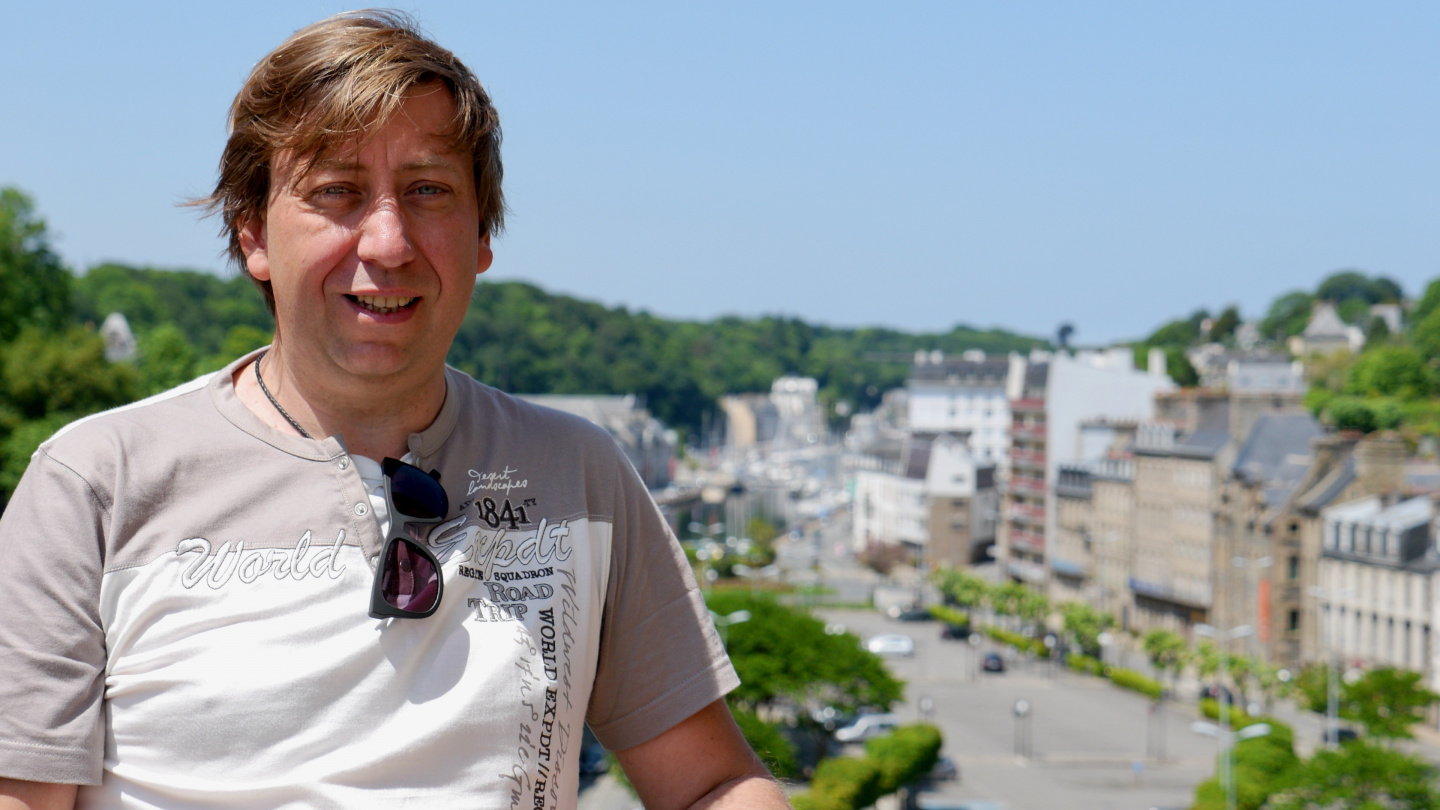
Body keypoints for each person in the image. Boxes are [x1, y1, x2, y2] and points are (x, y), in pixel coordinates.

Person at [0, 11, 787, 810]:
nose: (387, 242)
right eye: (336, 192)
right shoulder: (97, 482)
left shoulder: (578, 475)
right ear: (252, 236)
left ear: (482, 234)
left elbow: (713, 784)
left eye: (428, 191)